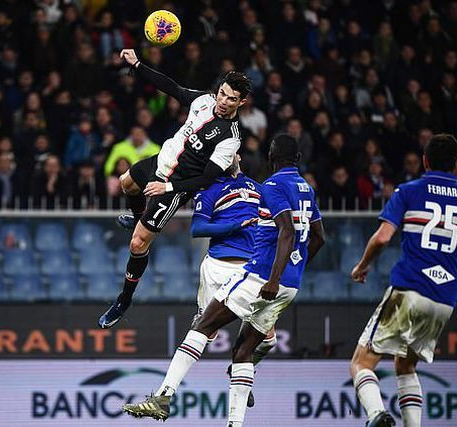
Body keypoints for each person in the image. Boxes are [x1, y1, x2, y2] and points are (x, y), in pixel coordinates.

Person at [122, 135, 325, 425]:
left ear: (261, 156)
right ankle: (228, 416)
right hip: (260, 276)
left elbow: (286, 232)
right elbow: (316, 237)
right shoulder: (300, 189)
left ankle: (166, 396)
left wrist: (275, 275)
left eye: (233, 153)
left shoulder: (266, 187)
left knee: (218, 329)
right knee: (234, 345)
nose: (231, 157)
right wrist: (291, 268)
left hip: (260, 273)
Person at [99, 48, 251, 329]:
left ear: (241, 102)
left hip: (175, 186)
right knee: (125, 183)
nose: (223, 101)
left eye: (231, 99)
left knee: (137, 243)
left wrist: (166, 186)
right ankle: (137, 215)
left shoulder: (230, 139)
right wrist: (137, 65)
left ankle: (124, 299)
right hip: (162, 161)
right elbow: (171, 87)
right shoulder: (204, 101)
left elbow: (205, 180)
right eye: (222, 93)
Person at [349, 134, 457, 427]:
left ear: (425, 161)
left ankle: (377, 415)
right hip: (445, 300)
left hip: (409, 289)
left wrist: (362, 265)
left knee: (361, 362)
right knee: (405, 365)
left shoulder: (409, 191)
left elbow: (382, 238)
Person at [191, 155, 276, 408]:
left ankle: (240, 369)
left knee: (269, 339)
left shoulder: (256, 187)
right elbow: (197, 229)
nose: (230, 156)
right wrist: (235, 225)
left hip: (251, 269)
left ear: (238, 156)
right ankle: (169, 387)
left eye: (232, 152)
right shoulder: (209, 189)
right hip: (219, 265)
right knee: (204, 331)